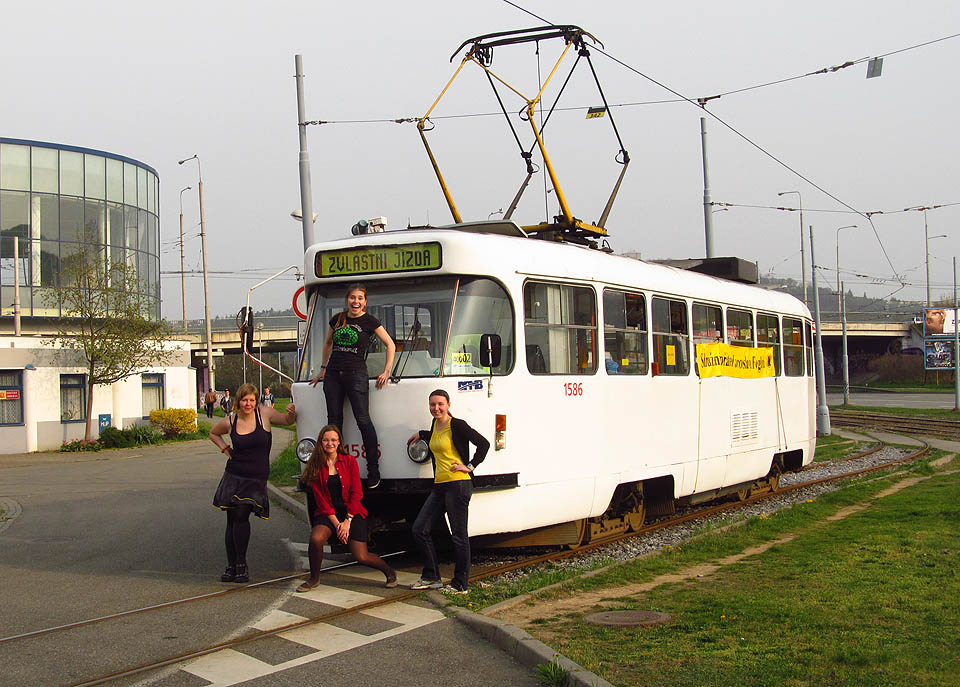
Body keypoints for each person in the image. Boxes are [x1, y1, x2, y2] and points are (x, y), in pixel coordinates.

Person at [309, 283, 396, 489]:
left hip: (356, 374)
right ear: (347, 300)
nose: (355, 302)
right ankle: (335, 469)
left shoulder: (370, 321)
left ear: (365, 302)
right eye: (352, 298)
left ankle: (373, 470)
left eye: (360, 298)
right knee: (334, 423)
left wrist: (387, 370)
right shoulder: (337, 319)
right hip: (332, 375)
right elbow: (328, 343)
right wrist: (323, 367)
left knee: (363, 420)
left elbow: (390, 344)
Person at [209, 383, 296, 583]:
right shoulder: (231, 419)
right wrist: (225, 449)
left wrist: (291, 412)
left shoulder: (264, 414)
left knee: (241, 513)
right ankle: (232, 566)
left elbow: (287, 420)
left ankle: (241, 563)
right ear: (238, 401)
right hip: (234, 475)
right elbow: (213, 433)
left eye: (251, 400)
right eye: (244, 400)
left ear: (256, 401)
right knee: (232, 518)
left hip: (256, 477)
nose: (248, 404)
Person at [407, 389, 489, 594]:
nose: (436, 408)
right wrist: (422, 434)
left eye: (440, 404)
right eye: (432, 405)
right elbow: (436, 439)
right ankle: (432, 576)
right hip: (440, 486)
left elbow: (483, 444)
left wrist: (469, 466)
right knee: (420, 529)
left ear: (448, 405)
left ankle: (461, 584)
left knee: (459, 536)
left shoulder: (457, 424)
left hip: (458, 484)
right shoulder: (435, 424)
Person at [296, 424, 397, 592]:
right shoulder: (315, 465)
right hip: (329, 514)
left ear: (339, 442)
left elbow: (357, 494)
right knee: (316, 539)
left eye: (333, 440)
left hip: (352, 512)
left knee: (360, 556)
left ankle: (389, 572)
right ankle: (314, 578)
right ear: (321, 442)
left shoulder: (349, 461)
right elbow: (321, 502)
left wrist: (347, 521)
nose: (330, 443)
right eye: (326, 440)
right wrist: (337, 525)